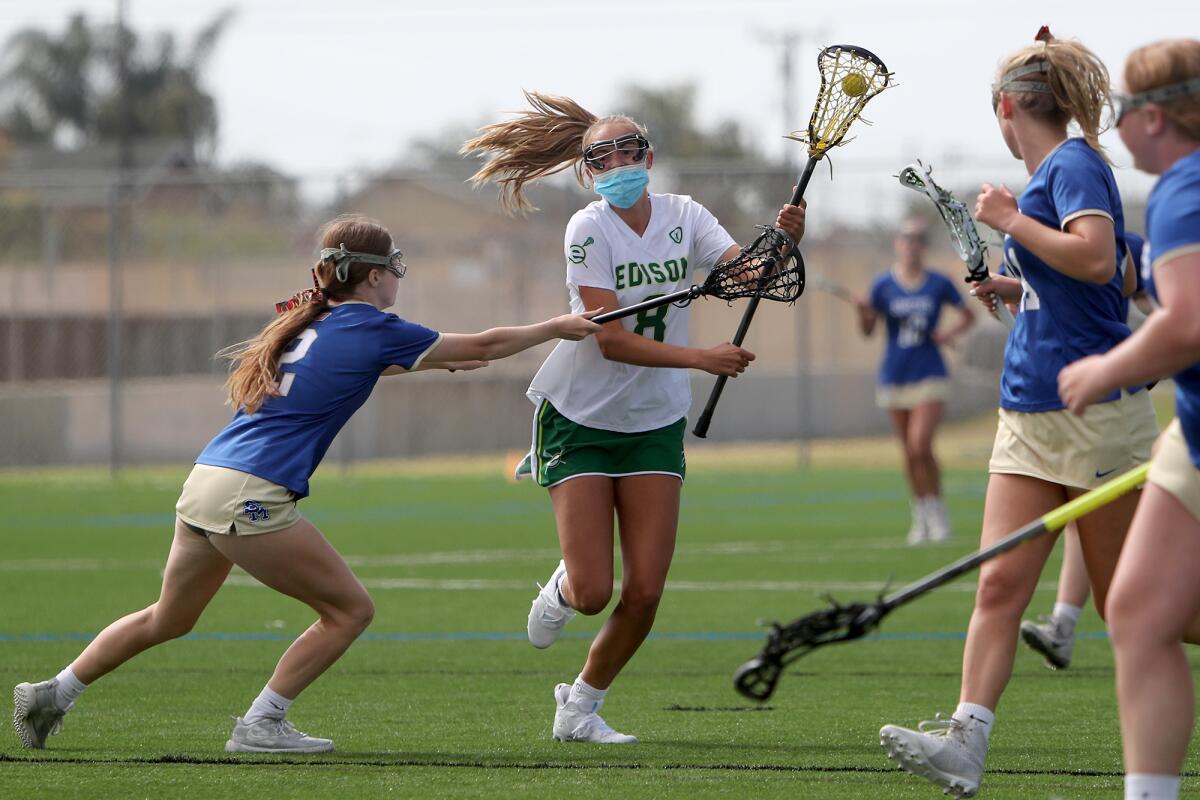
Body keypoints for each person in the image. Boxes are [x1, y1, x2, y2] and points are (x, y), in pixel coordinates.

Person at [11, 214, 601, 754]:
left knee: (170, 616)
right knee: (349, 611)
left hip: (205, 479)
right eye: (394, 268)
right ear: (372, 278)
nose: (397, 279)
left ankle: (51, 694)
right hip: (251, 491)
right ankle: (261, 724)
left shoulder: (309, 322)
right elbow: (488, 344)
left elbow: (397, 361)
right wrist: (555, 326)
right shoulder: (375, 325)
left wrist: (443, 357)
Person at [461, 92, 806, 744]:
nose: (617, 162)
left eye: (628, 150)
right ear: (587, 171)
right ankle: (566, 583)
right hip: (582, 419)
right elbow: (609, 337)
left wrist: (787, 239)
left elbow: (751, 276)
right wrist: (700, 356)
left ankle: (581, 704)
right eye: (602, 157)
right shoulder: (588, 229)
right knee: (595, 592)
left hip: (653, 422)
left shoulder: (685, 215)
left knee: (645, 592)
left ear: (647, 157)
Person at [878, 30, 1159, 797]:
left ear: (1007, 107)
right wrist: (1016, 288)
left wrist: (1010, 222)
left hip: (1095, 415)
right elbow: (1076, 282)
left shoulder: (1072, 165)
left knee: (1139, 611)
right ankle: (964, 743)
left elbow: (1099, 259)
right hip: (1028, 411)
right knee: (999, 587)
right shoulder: (1045, 175)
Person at [1057, 37, 1200, 800]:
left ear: (1154, 117)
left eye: (1118, 113)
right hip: (1194, 429)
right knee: (1142, 612)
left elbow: (1188, 324)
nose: (1110, 131)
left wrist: (1104, 370)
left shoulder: (1182, 189)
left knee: (1142, 613)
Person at [1020, 230, 1150, 671]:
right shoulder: (1033, 223)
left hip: (1112, 406)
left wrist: (1133, 363)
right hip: (1060, 408)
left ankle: (1062, 625)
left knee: (1135, 598)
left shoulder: (1120, 236)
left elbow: (1162, 311)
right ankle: (1062, 624)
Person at [855, 218, 975, 545]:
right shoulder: (883, 285)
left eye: (918, 240)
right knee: (909, 452)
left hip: (930, 372)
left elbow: (968, 315)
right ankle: (920, 513)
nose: (912, 245)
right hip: (895, 374)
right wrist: (862, 311)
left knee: (921, 444)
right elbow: (868, 330)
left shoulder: (938, 283)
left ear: (924, 247)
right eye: (906, 239)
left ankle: (937, 510)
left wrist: (945, 335)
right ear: (898, 244)